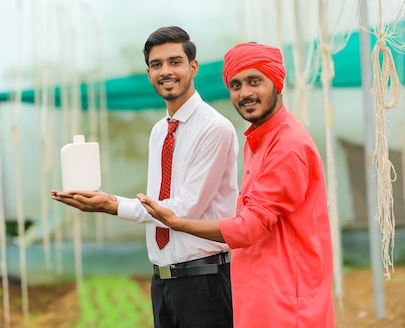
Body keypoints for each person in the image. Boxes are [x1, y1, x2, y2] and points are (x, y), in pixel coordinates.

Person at [51, 26, 239, 328]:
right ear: (149, 73)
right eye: (156, 64)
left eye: (175, 62)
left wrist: (112, 204)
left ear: (193, 67)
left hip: (204, 283)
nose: (165, 71)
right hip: (163, 281)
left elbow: (184, 209)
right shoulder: (160, 131)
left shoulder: (214, 129)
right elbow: (160, 202)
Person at [139, 42, 335, 328]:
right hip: (258, 294)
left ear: (277, 83)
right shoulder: (258, 140)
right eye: (235, 85)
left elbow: (248, 227)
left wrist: (177, 222)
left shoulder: (287, 146)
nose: (245, 93)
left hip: (287, 300)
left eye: (255, 81)